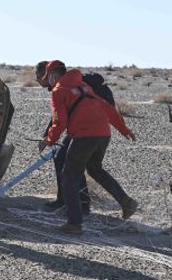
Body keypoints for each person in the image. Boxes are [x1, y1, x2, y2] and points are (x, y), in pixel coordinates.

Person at [38, 60, 138, 235]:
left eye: (48, 77)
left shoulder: (58, 91)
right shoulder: (83, 86)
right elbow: (107, 108)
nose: (49, 82)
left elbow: (59, 121)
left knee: (69, 175)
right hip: (103, 134)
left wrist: (48, 139)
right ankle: (127, 202)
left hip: (85, 135)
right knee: (95, 169)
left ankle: (74, 223)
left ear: (53, 75)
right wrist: (124, 129)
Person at [35, 61, 91, 215]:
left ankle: (74, 205)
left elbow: (60, 120)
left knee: (67, 162)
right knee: (69, 161)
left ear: (48, 75)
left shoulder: (61, 87)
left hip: (84, 130)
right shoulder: (66, 83)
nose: (38, 81)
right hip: (87, 128)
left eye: (39, 77)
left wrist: (49, 139)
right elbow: (60, 115)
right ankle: (77, 203)